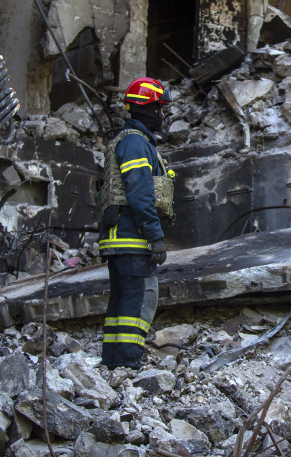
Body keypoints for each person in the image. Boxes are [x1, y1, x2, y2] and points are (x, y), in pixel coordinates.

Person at [97, 77, 175, 370]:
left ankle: (112, 365)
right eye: (159, 108)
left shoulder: (126, 140)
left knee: (120, 304)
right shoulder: (135, 142)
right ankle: (128, 365)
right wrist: (155, 236)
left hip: (118, 237)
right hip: (132, 237)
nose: (163, 115)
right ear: (147, 109)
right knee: (137, 301)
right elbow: (140, 192)